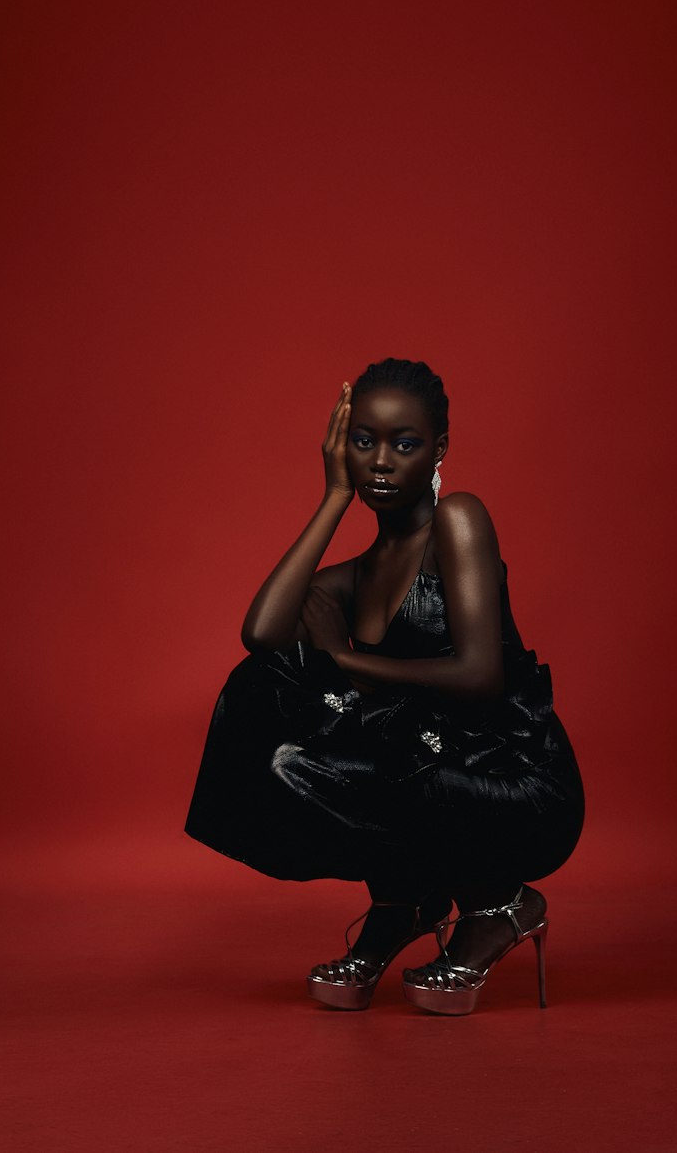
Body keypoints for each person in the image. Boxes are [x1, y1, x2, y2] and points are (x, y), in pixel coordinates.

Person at [185, 357, 584, 1015]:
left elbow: (479, 679)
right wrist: (333, 498)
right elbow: (261, 635)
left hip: (517, 783)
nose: (380, 462)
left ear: (438, 450)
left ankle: (501, 904)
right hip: (424, 771)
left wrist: (348, 660)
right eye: (363, 441)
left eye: (405, 444)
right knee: (269, 695)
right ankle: (405, 900)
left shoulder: (457, 520)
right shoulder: (355, 577)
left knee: (369, 753)